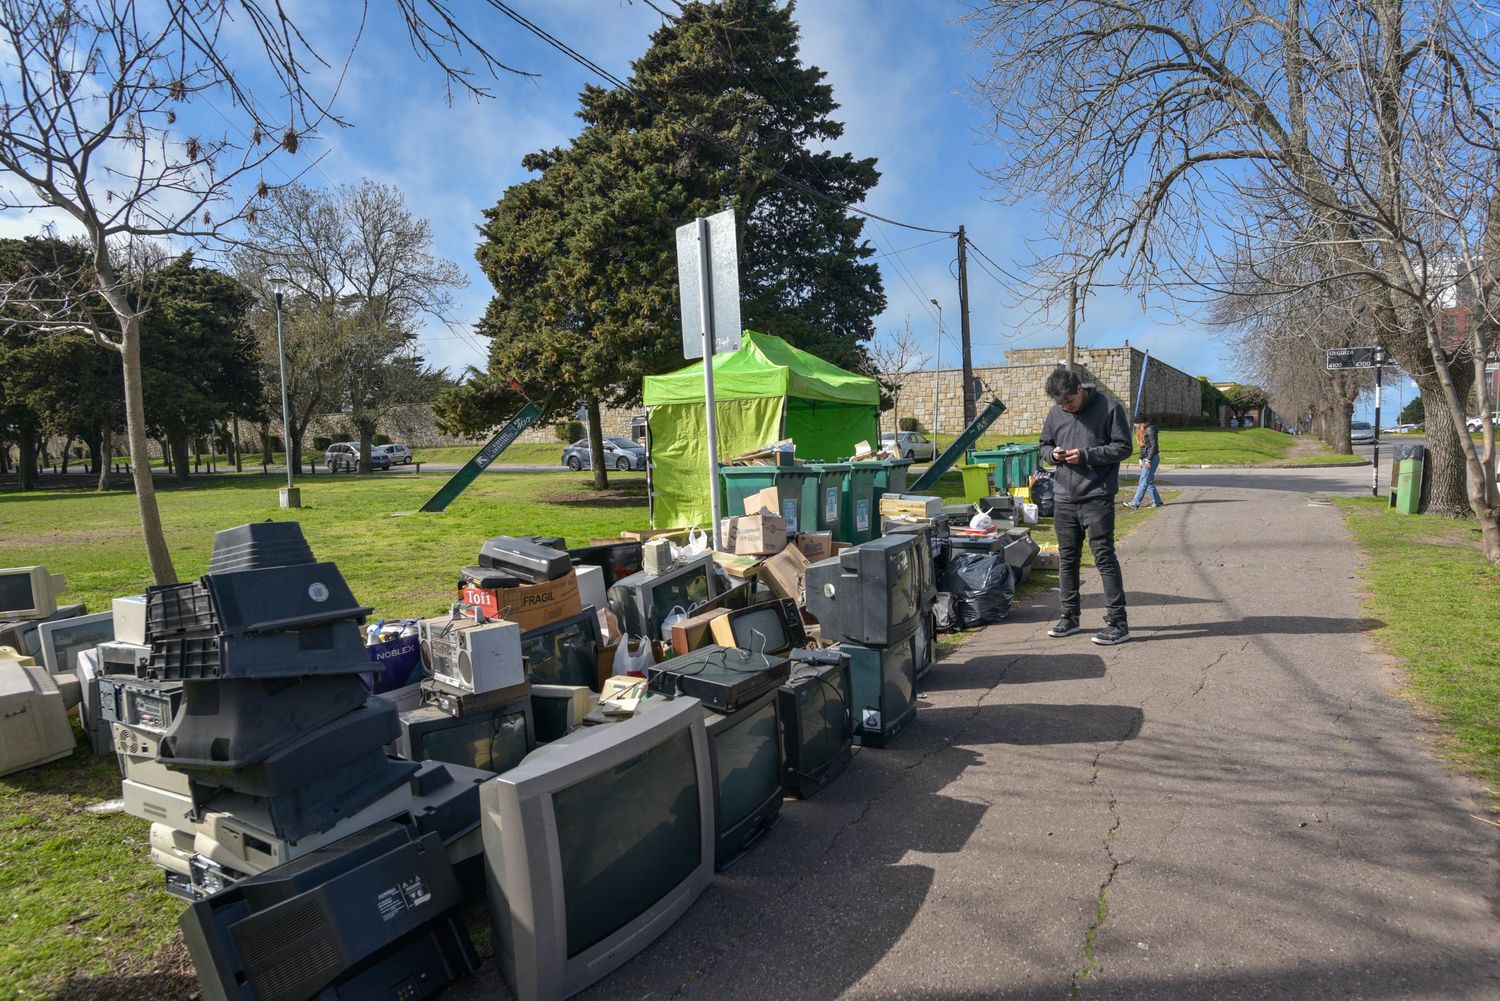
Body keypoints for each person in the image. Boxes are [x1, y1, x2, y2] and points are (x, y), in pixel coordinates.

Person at [1038, 368, 1132, 645]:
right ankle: (1069, 618)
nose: (1065, 407)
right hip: (1064, 496)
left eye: (1069, 401)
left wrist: (1086, 455)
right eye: (1060, 404)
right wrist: (1052, 455)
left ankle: (1118, 624)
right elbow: (1043, 445)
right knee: (1068, 559)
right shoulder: (1056, 413)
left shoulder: (1109, 408)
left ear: (1080, 389)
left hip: (1097, 496)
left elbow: (1123, 447)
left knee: (1104, 557)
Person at [1124, 416, 1162, 509]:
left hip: (1152, 458)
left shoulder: (1150, 429)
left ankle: (1135, 503)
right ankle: (1157, 502)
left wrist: (1148, 459)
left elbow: (1153, 446)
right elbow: (1143, 446)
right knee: (1148, 481)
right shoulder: (1142, 430)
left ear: (1142, 423)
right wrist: (1141, 458)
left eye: (1136, 423)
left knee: (1143, 481)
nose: (1135, 425)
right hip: (1146, 458)